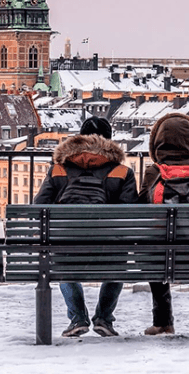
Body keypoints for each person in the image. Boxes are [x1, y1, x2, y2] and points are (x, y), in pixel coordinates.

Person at [34, 117, 138, 338]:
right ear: (109, 141)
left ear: (79, 138)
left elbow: (39, 207)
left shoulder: (58, 169)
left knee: (58, 261)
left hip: (67, 249)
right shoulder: (122, 172)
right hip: (109, 251)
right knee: (119, 262)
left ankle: (78, 318)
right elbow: (129, 213)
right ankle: (104, 319)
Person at [138, 113, 189, 336]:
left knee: (154, 254)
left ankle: (163, 322)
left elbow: (142, 207)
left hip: (160, 254)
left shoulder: (154, 171)